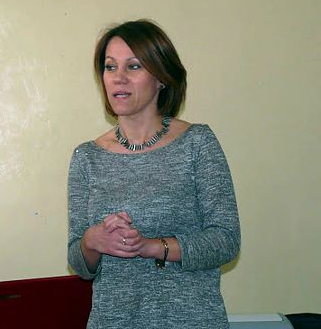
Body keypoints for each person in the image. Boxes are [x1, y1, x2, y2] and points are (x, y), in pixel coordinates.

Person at [67, 19, 240, 329]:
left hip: (191, 321)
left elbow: (226, 240)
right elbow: (80, 265)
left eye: (133, 67)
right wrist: (92, 240)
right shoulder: (87, 157)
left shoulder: (197, 143)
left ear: (161, 78)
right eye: (110, 67)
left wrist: (151, 246)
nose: (118, 78)